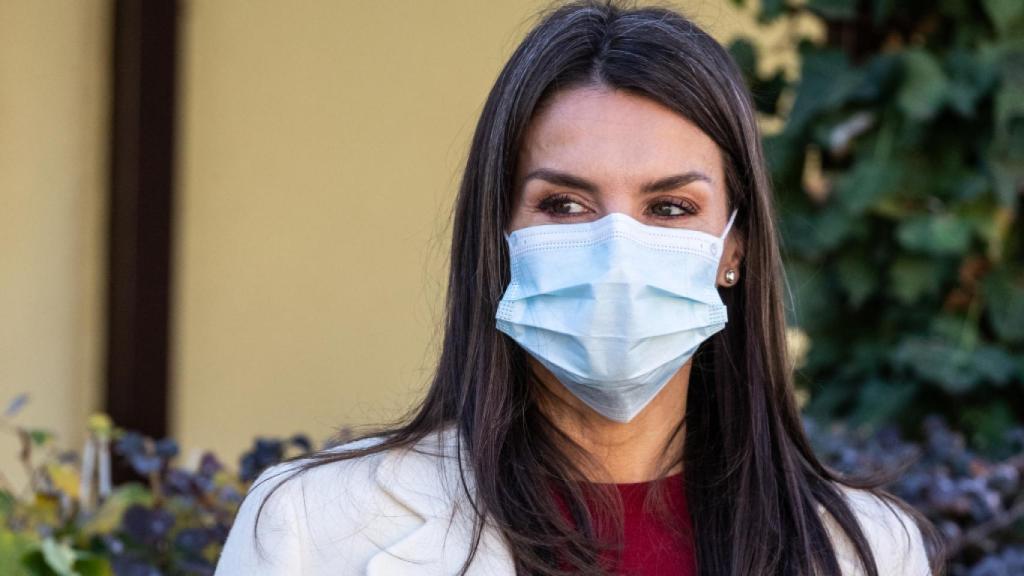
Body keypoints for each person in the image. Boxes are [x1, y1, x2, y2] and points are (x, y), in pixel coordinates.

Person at [214, 1, 944, 574]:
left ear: (735, 250)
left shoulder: (870, 553)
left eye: (670, 207)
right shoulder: (313, 527)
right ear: (498, 236)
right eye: (565, 205)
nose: (618, 248)